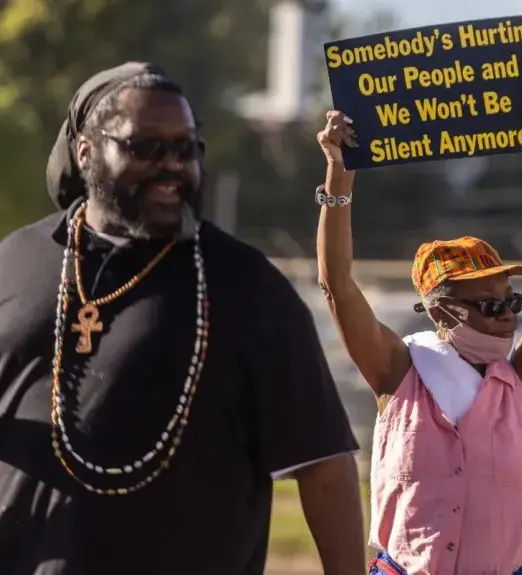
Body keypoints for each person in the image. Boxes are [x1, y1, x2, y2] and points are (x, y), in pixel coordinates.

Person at [0, 62, 365, 575]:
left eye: (187, 147)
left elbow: (324, 468)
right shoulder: (14, 262)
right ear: (85, 152)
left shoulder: (247, 287)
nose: (172, 164)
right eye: (147, 147)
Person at [315, 104, 522, 574]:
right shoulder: (399, 371)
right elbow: (337, 285)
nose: (507, 316)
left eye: (511, 301)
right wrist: (339, 174)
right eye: (490, 304)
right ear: (441, 311)